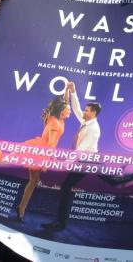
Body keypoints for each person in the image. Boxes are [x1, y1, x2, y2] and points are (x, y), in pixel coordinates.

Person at [0, 96, 70, 222]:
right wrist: (50, 160)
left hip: (40, 151)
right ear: (62, 111)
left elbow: (65, 102)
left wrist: (68, 91)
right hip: (37, 151)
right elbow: (51, 146)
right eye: (68, 109)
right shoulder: (55, 123)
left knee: (33, 181)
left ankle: (21, 209)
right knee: (1, 160)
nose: (69, 111)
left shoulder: (59, 118)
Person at [42, 81, 102, 232]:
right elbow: (75, 108)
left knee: (66, 186)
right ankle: (60, 223)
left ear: (93, 112)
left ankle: (60, 224)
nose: (84, 111)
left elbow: (80, 151)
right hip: (85, 159)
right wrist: (73, 91)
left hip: (89, 161)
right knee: (114, 181)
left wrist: (64, 164)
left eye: (87, 110)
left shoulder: (93, 129)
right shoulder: (86, 121)